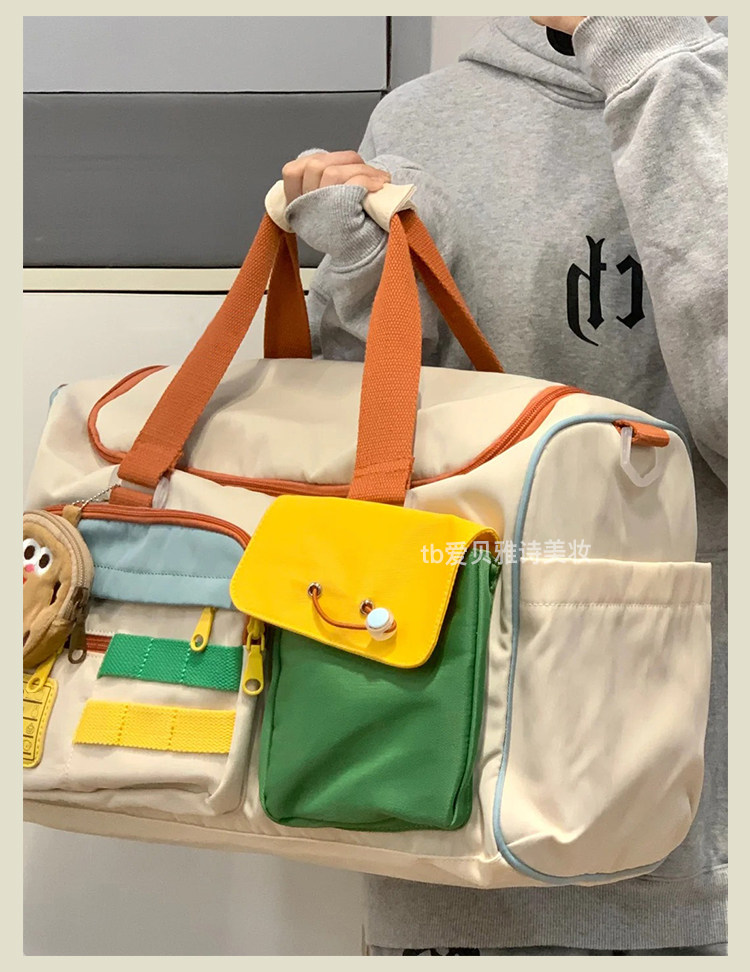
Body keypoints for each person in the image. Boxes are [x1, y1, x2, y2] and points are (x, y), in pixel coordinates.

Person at [278, 16, 728, 957]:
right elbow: (363, 465)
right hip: (445, 807)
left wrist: (660, 66)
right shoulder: (426, 118)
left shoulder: (714, 97)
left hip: (697, 812)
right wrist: (359, 268)